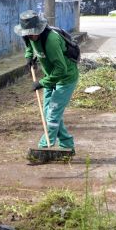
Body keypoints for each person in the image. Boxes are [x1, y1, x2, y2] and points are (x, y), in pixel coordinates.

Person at [14, 10, 79, 154]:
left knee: (53, 113)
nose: (31, 36)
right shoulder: (29, 36)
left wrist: (42, 82)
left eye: (33, 33)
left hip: (65, 78)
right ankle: (67, 144)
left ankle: (44, 146)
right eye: (28, 33)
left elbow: (61, 69)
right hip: (51, 77)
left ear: (40, 29)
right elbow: (30, 47)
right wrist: (29, 57)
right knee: (48, 112)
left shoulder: (51, 41)